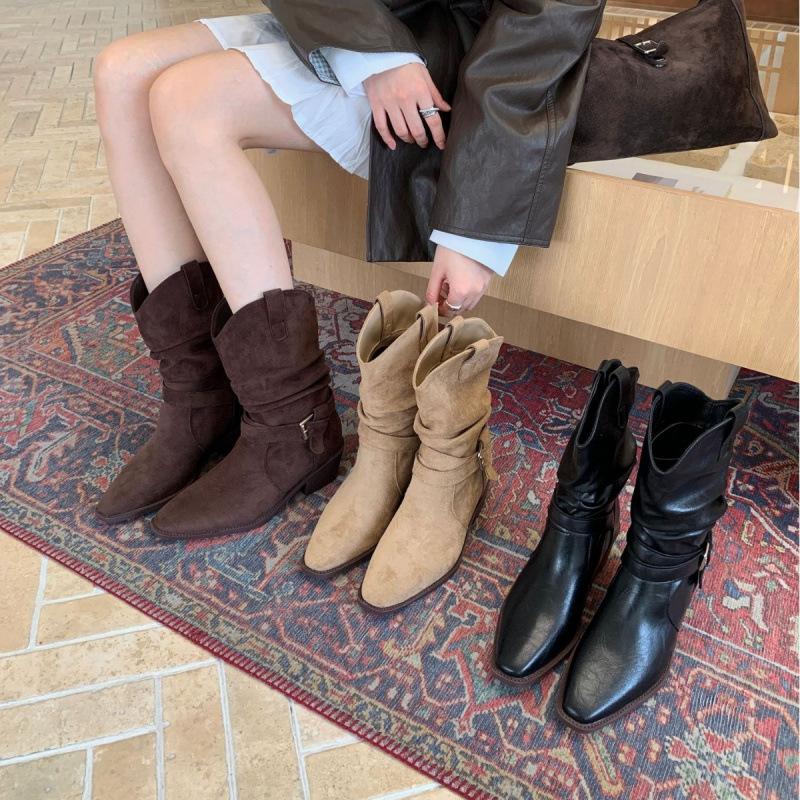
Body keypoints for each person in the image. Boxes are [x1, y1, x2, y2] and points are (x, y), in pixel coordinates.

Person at [93, 2, 603, 536]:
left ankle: (293, 427)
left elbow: (548, 20)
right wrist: (368, 49)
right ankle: (199, 397)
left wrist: (475, 225)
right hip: (339, 17)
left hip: (460, 59)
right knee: (121, 71)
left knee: (187, 100)